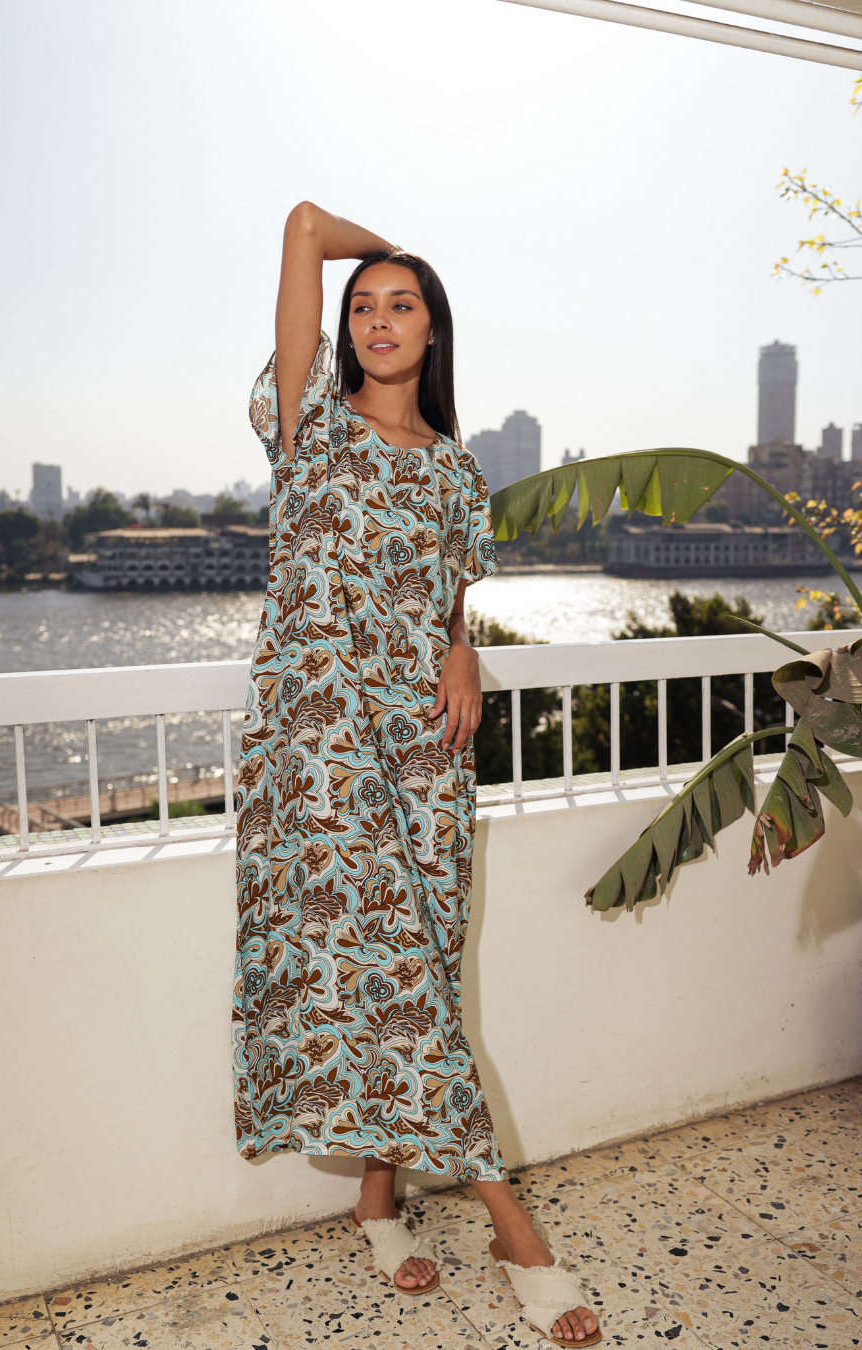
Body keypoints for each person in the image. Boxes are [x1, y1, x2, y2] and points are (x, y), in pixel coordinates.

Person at [233, 201, 600, 1345]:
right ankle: (514, 1228)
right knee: (396, 965)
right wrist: (386, 245)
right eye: (365, 306)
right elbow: (303, 226)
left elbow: (446, 595)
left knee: (420, 962)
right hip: (318, 749)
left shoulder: (457, 470)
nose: (381, 319)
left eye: (404, 304)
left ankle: (378, 1201)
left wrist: (461, 647)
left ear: (435, 330)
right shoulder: (307, 421)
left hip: (425, 745)